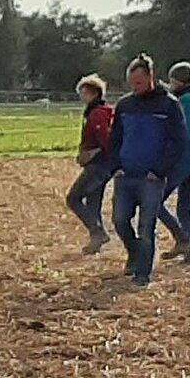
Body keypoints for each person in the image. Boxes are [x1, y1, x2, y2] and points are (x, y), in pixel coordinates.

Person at [107, 56, 188, 288]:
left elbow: (178, 142)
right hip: (125, 174)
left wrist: (160, 169)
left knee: (146, 226)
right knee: (120, 221)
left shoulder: (169, 105)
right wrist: (116, 166)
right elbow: (115, 138)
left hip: (151, 177)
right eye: (132, 84)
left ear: (150, 78)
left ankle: (143, 274)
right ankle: (134, 254)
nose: (135, 88)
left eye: (139, 83)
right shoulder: (125, 105)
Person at [154, 61, 190, 264]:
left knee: (155, 201)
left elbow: (181, 132)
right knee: (184, 208)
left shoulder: (186, 101)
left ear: (177, 81)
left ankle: (183, 239)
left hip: (183, 160)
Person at [68, 75, 117, 254]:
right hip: (101, 164)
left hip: (99, 165)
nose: (82, 96)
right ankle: (95, 240)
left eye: (85, 93)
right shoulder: (97, 111)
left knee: (73, 198)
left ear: (94, 93)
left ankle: (98, 232)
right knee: (93, 202)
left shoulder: (97, 113)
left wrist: (92, 153)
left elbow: (106, 139)